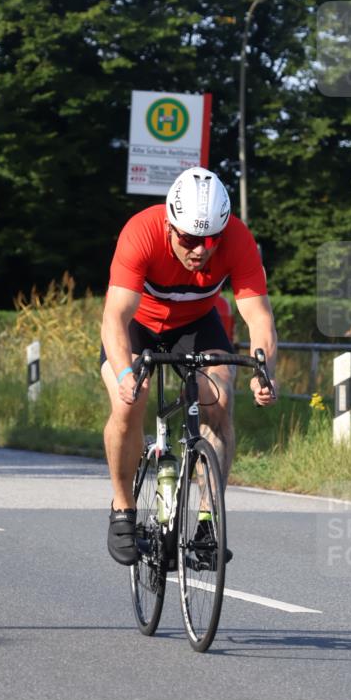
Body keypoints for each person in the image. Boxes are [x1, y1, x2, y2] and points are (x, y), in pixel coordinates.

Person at [100, 166, 277, 566]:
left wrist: (263, 370)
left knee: (218, 398)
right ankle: (123, 507)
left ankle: (206, 521)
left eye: (211, 239)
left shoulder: (238, 238)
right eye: (189, 239)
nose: (200, 249)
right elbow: (115, 317)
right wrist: (126, 375)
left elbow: (260, 317)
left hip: (196, 323)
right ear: (170, 225)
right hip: (138, 325)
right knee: (130, 401)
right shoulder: (141, 233)